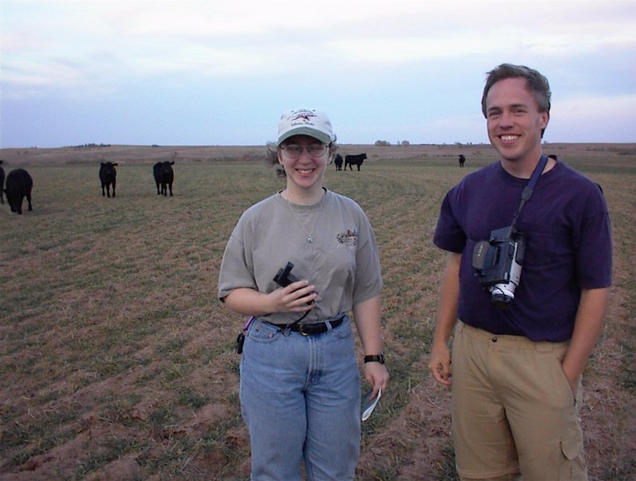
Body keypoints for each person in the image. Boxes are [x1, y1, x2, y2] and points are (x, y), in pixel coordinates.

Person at [429, 64, 612, 481]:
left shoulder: (581, 195)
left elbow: (596, 289)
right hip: (473, 353)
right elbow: (456, 266)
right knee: (480, 474)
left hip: (541, 358)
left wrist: (567, 374)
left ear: (543, 117)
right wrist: (442, 341)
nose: (505, 122)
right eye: (495, 113)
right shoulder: (467, 190)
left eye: (517, 110)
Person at [218, 109, 390, 480]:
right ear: (278, 156)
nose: (305, 159)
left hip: (335, 354)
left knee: (335, 469)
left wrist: (373, 356)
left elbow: (366, 290)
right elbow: (231, 291)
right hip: (271, 352)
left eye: (315, 147)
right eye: (293, 148)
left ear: (330, 152)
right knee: (275, 469)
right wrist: (270, 303)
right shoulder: (255, 219)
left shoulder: (351, 215)